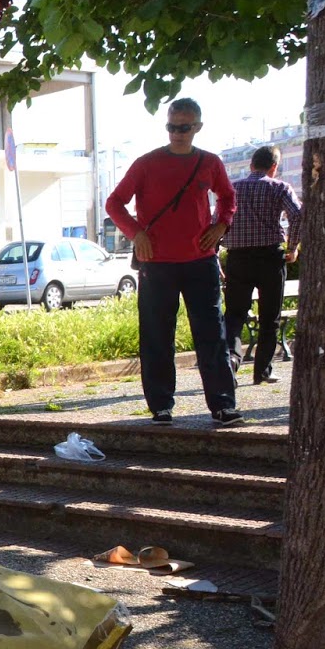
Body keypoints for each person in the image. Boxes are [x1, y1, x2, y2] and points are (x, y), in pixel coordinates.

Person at [104, 98, 242, 426]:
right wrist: (136, 234)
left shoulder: (210, 162)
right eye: (171, 126)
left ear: (197, 127)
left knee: (212, 334)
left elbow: (228, 197)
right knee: (156, 335)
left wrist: (221, 225)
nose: (177, 133)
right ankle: (161, 406)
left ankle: (223, 405)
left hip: (200, 261)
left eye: (184, 127)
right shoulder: (145, 163)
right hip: (157, 263)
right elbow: (114, 203)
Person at [222, 145, 301, 386]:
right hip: (270, 258)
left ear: (251, 165)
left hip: (238, 258)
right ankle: (263, 370)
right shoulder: (279, 187)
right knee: (270, 317)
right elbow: (297, 214)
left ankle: (231, 362)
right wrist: (292, 247)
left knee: (234, 315)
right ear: (274, 166)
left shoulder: (232, 188)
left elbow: (218, 220)